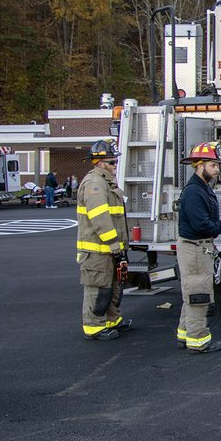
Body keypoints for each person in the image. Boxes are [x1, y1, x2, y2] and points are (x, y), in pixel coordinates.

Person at [177, 142, 221, 355]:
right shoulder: (194, 191)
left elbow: (204, 220)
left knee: (192, 293)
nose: (217, 170)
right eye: (212, 165)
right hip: (194, 249)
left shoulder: (201, 188)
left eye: (217, 165)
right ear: (198, 165)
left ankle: (184, 335)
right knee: (198, 295)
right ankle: (198, 341)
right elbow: (200, 224)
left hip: (198, 248)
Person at [76, 141, 130, 340]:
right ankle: (94, 327)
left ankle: (111, 320)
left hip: (110, 250)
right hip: (98, 251)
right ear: (99, 163)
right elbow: (100, 218)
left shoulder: (106, 182)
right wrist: (113, 243)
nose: (115, 164)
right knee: (98, 289)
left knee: (113, 287)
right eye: (111, 162)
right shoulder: (94, 185)